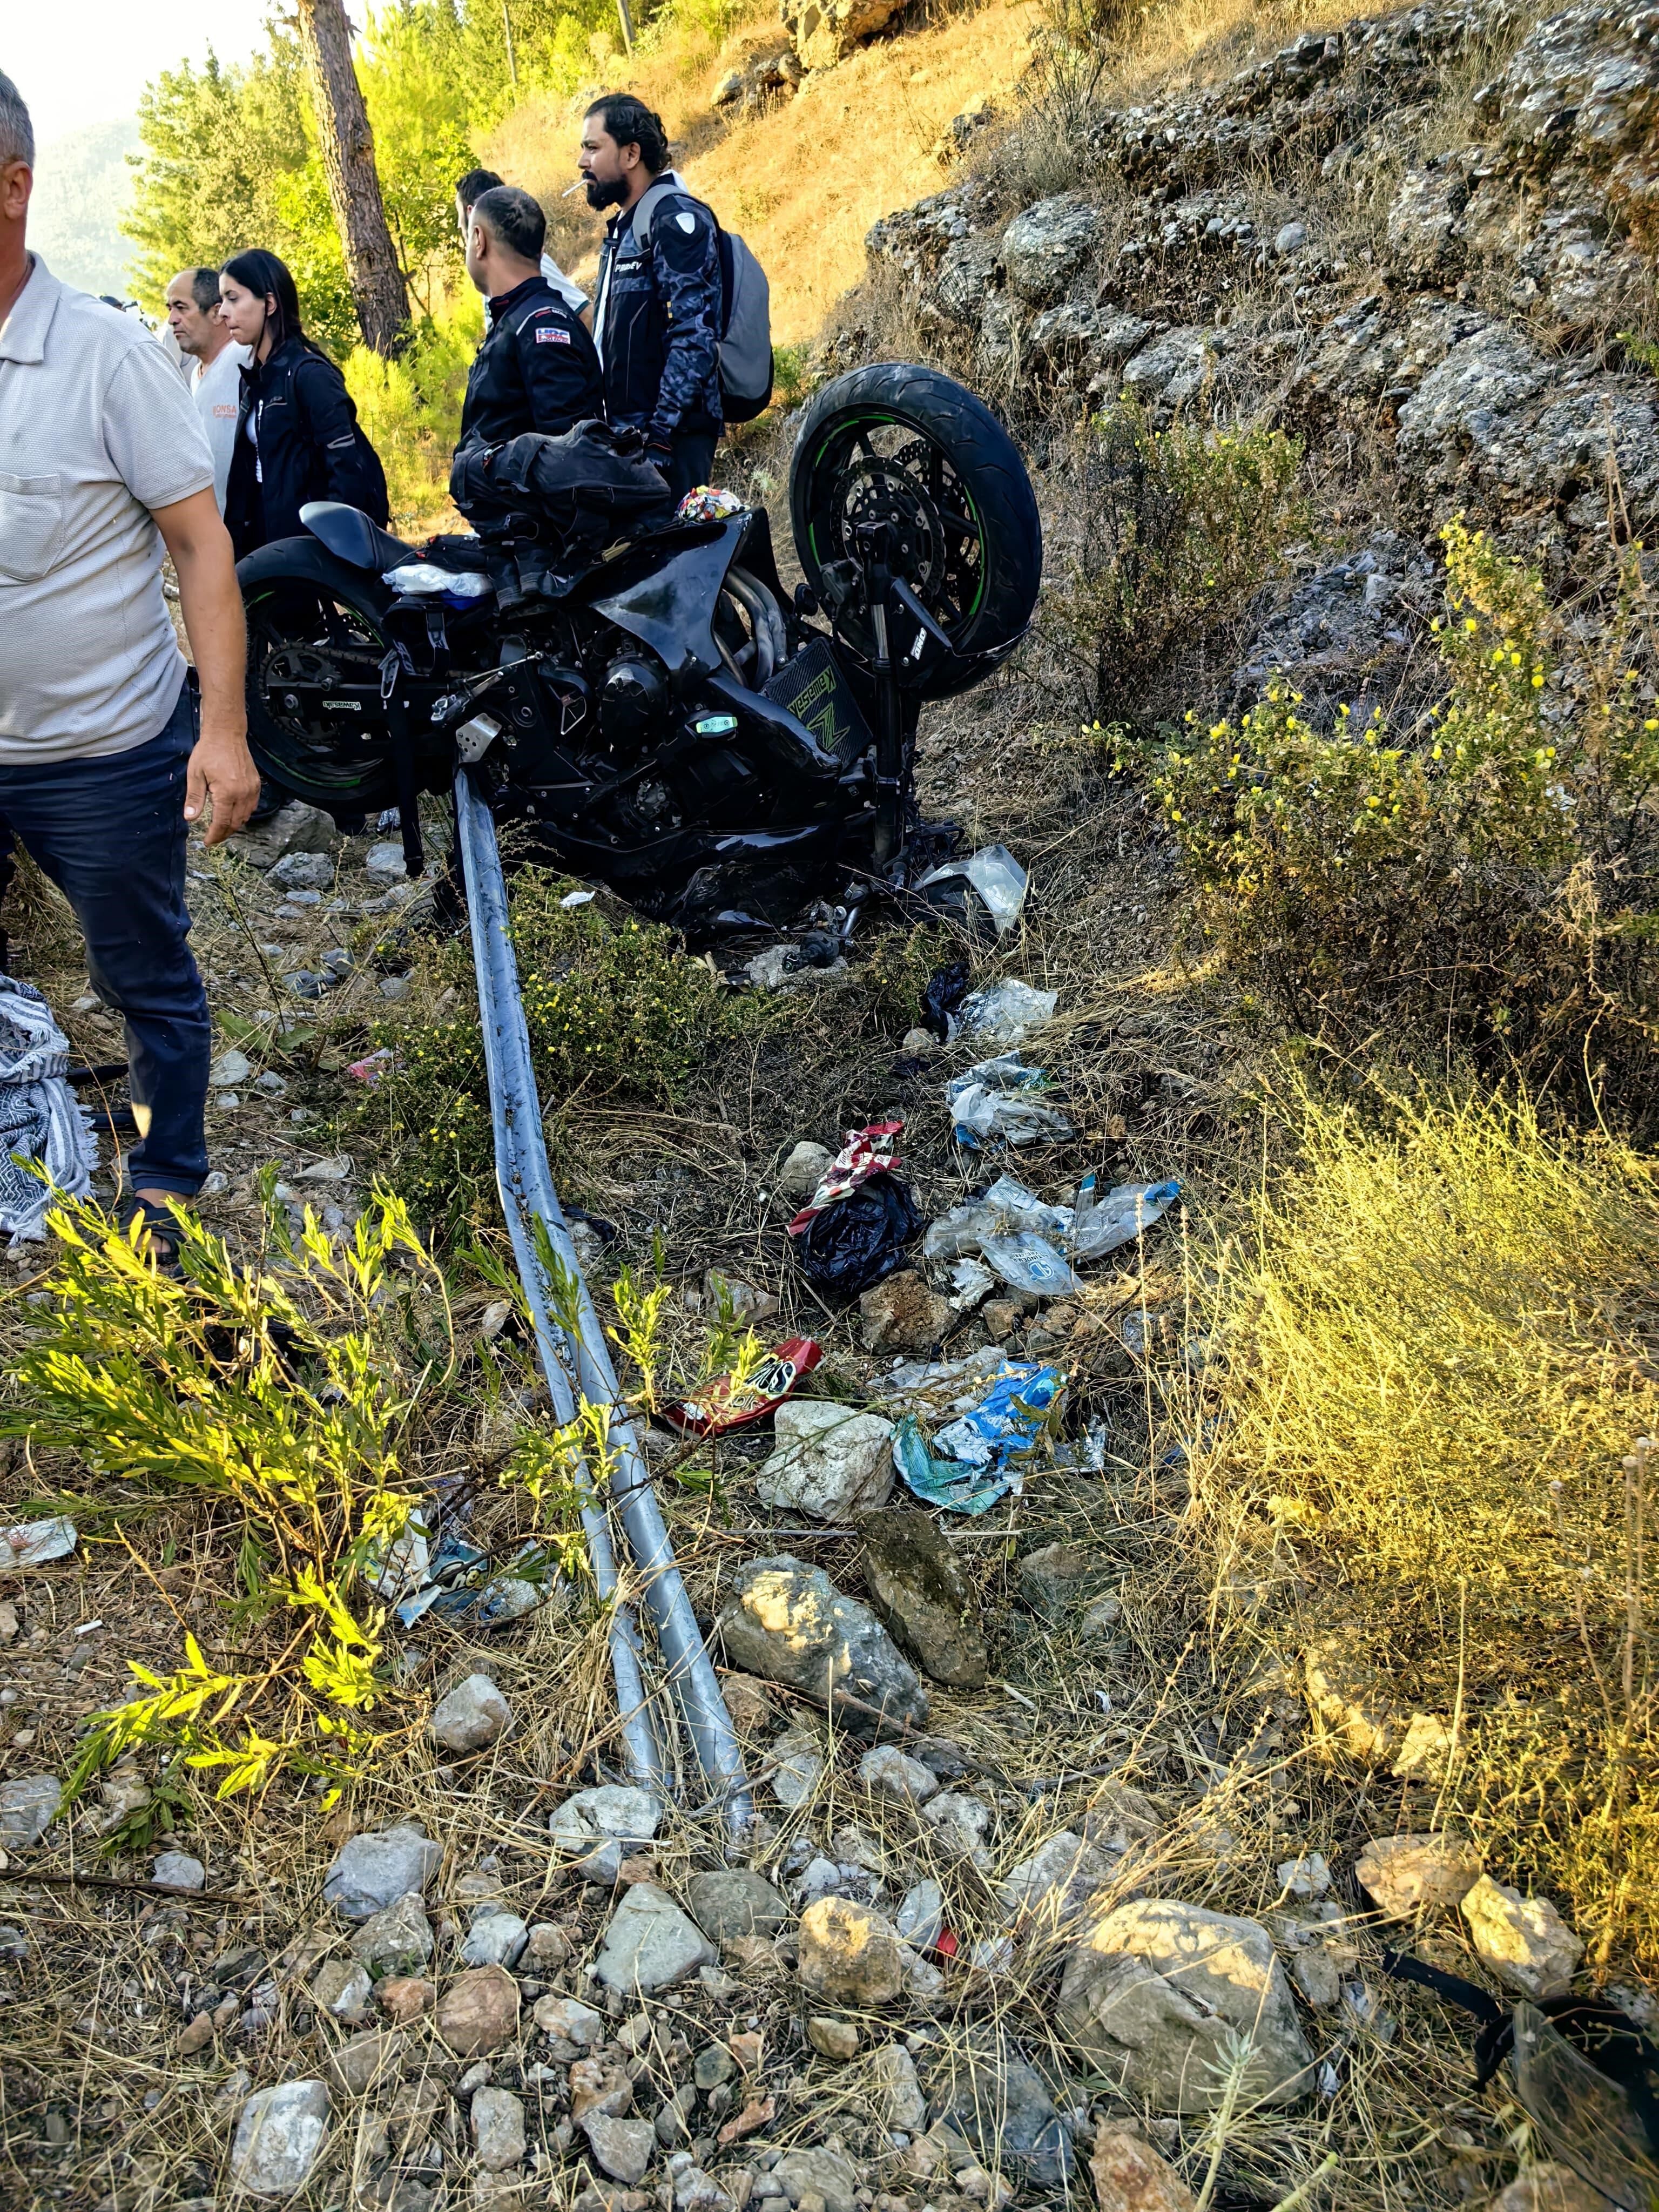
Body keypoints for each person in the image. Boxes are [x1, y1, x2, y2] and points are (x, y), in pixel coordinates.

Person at [0, 71, 260, 1262]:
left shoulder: (105, 356)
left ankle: (162, 1187)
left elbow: (201, 545)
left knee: (142, 980)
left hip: (101, 756)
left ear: (13, 187)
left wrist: (224, 731)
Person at [581, 95, 723, 502]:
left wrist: (660, 435)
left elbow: (695, 334)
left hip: (670, 442)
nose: (582, 162)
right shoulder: (626, 227)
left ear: (631, 154)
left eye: (593, 148)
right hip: (632, 438)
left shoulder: (674, 219)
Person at [219, 248, 388, 560]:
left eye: (233, 298)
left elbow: (346, 469)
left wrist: (329, 549)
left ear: (270, 304)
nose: (223, 313)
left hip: (307, 546)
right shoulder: (254, 377)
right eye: (222, 301)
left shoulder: (310, 375)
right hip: (262, 540)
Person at [456, 184, 602, 453]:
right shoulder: (517, 320)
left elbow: (572, 455)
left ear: (479, 240)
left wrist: (481, 464)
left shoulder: (543, 326)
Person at [165, 267, 250, 512]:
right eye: (169, 309)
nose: (172, 319)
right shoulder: (196, 374)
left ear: (216, 313)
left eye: (181, 308)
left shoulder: (246, 359)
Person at [455, 166, 588, 323]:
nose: (459, 225)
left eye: (460, 215)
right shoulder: (493, 272)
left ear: (471, 213)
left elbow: (586, 314)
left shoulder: (525, 263)